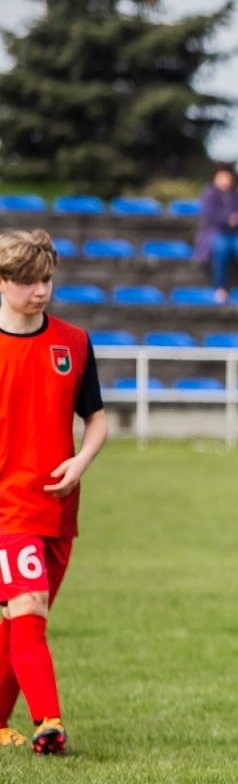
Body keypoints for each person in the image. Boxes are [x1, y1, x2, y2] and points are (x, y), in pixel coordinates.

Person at [0, 230, 107, 754]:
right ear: (2, 282)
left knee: (21, 622)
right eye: (27, 282)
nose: (40, 291)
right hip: (7, 508)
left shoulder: (74, 342)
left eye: (46, 280)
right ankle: (49, 723)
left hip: (59, 508)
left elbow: (97, 419)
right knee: (29, 606)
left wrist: (81, 461)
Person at [196, 162, 238, 302]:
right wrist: (228, 219)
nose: (225, 180)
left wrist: (237, 220)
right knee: (221, 247)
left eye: (227, 177)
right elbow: (210, 216)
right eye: (221, 177)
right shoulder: (209, 194)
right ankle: (219, 286)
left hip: (237, 233)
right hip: (216, 233)